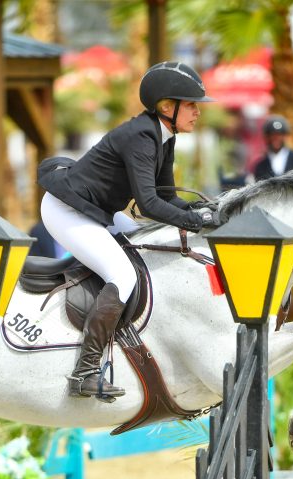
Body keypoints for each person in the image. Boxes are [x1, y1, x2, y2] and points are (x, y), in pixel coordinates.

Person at [37, 60, 222, 401]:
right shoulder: (141, 135)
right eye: (192, 104)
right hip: (66, 210)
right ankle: (85, 371)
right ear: (168, 106)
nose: (198, 112)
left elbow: (167, 196)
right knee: (123, 275)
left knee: (144, 245)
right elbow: (150, 204)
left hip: (98, 211)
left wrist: (207, 211)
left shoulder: (164, 137)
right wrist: (198, 222)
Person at [252, 115, 293, 182]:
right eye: (272, 135)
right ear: (266, 137)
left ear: (286, 136)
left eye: (280, 135)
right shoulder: (261, 166)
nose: (276, 138)